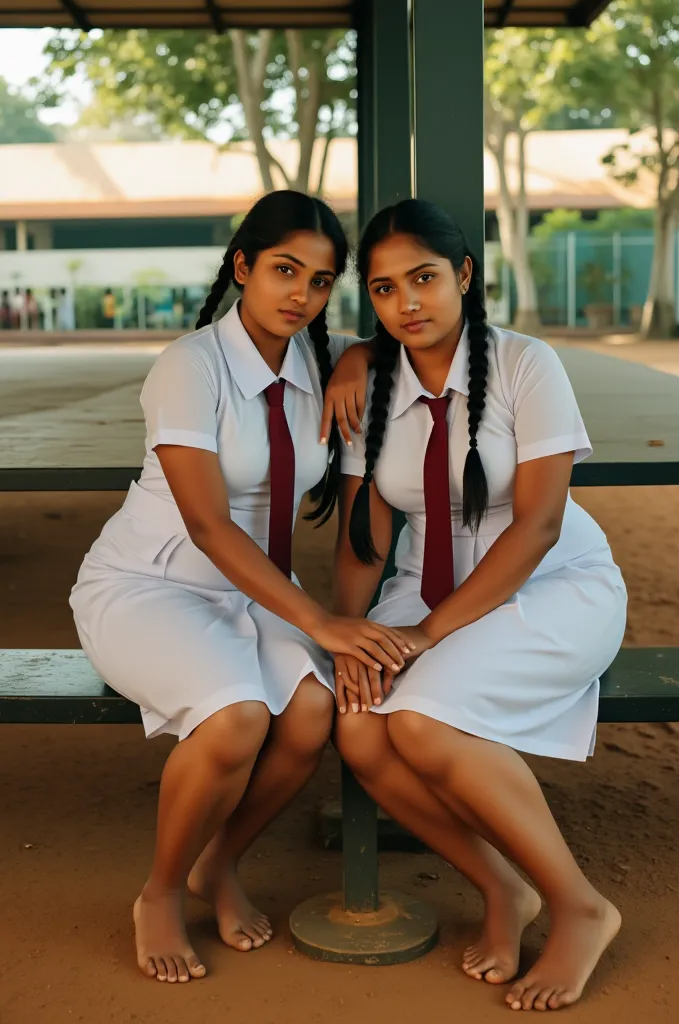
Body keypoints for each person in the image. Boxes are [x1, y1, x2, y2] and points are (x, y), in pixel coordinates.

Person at [69, 190, 414, 985]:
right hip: (152, 582)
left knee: (314, 712)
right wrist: (323, 624)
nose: (301, 294)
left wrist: (363, 355)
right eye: (285, 270)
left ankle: (217, 863)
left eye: (322, 281)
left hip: (257, 589)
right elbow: (208, 525)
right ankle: (160, 891)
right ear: (242, 267)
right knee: (236, 718)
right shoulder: (189, 367)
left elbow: (396, 344)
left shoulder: (317, 361)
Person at [332, 199, 627, 1013]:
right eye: (385, 291)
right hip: (421, 590)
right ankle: (503, 891)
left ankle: (578, 903)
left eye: (423, 278)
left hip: (547, 587)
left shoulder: (529, 365)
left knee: (422, 721)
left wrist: (427, 635)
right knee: (358, 725)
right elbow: (365, 533)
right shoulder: (373, 383)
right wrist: (352, 636)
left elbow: (535, 526)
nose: (408, 304)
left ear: (463, 274)